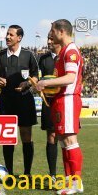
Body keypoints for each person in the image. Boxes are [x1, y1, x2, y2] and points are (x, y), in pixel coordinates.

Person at [36, 19, 84, 195]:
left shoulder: (71, 51)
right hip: (61, 99)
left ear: (61, 32)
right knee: (64, 142)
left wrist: (45, 82)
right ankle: (70, 180)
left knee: (70, 141)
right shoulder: (64, 51)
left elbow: (70, 78)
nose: (51, 34)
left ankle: (76, 182)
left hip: (69, 99)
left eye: (53, 31)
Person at [0, 25, 39, 179]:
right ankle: (10, 172)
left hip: (25, 100)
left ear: (19, 38)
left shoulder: (28, 55)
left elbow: (36, 76)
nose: (7, 37)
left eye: (11, 35)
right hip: (6, 101)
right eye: (7, 34)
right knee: (7, 138)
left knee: (26, 136)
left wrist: (27, 84)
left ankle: (27, 173)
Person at [38, 32, 61, 181]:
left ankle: (71, 174)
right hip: (48, 102)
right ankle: (52, 174)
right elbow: (39, 79)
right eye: (47, 38)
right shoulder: (43, 59)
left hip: (63, 102)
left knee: (65, 137)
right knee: (51, 136)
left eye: (51, 38)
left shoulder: (67, 57)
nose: (48, 41)